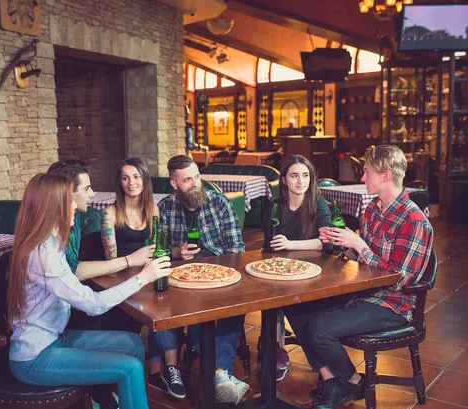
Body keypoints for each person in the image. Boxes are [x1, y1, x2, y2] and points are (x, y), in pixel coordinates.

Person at [285, 145, 433, 409]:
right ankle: (345, 381)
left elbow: (400, 280)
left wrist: (360, 244)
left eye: (366, 172)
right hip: (362, 293)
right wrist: (345, 245)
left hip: (393, 305)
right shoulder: (374, 209)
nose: (362, 178)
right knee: (296, 307)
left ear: (386, 175)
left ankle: (353, 383)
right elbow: (362, 260)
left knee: (319, 329)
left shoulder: (414, 221)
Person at [7, 173, 172, 409]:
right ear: (53, 207)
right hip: (35, 358)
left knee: (133, 343)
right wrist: (143, 277)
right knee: (130, 369)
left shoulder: (53, 243)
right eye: (69, 200)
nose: (75, 205)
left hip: (56, 339)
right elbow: (94, 305)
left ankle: (112, 401)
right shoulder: (42, 255)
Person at [158, 155, 248, 405]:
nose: (196, 183)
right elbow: (159, 250)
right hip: (184, 278)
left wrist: (222, 275)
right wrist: (177, 252)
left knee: (235, 309)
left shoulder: (219, 203)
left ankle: (217, 371)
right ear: (175, 185)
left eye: (197, 176)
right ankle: (221, 375)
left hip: (221, 273)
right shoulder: (166, 206)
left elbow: (236, 249)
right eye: (188, 180)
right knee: (194, 311)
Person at [100, 157, 185, 400]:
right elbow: (111, 262)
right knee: (150, 307)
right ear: (120, 182)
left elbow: (159, 247)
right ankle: (120, 379)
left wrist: (175, 253)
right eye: (125, 177)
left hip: (147, 275)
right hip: (120, 278)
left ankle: (169, 368)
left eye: (136, 176)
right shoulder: (110, 213)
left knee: (168, 303)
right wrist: (138, 265)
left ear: (144, 180)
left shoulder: (153, 211)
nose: (131, 182)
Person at [261, 154, 334, 382]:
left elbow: (327, 242)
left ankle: (278, 351)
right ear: (284, 180)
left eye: (305, 175)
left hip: (315, 274)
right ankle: (276, 348)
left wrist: (290, 244)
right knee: (272, 297)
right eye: (294, 176)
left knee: (294, 306)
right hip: (282, 272)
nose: (301, 181)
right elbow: (269, 247)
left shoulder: (318, 204)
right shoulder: (274, 208)